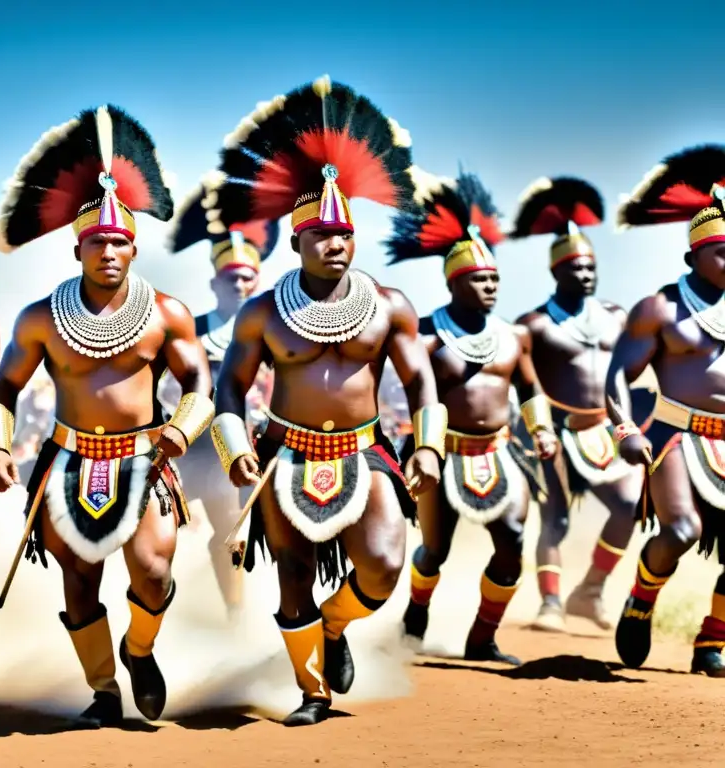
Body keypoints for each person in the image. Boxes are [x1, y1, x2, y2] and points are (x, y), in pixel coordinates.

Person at [209, 76, 445, 726]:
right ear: (295, 241)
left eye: (344, 233)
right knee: (292, 578)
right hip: (284, 456)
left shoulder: (391, 307)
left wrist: (426, 444)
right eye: (320, 234)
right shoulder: (261, 315)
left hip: (365, 452)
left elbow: (422, 384)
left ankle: (336, 626)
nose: (335, 242)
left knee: (386, 563)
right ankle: (313, 693)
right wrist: (234, 451)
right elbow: (228, 386)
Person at [0, 105, 214, 726]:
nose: (108, 251)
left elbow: (200, 384)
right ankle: (104, 690)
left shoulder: (168, 313)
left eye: (119, 242)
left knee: (154, 571)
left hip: (145, 457)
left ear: (134, 249)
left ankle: (139, 651)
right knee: (80, 581)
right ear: (76, 247)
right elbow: (2, 391)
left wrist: (180, 428)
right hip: (67, 461)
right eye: (97, 242)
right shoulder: (38, 318)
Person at [386, 170, 556, 666]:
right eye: (479, 280)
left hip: (499, 453)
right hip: (441, 454)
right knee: (434, 551)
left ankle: (482, 637)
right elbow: (406, 387)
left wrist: (542, 428)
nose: (490, 287)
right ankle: (416, 615)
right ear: (454, 282)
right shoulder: (425, 336)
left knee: (513, 541)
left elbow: (529, 387)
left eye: (495, 280)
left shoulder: (513, 336)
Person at [508, 177, 648, 632]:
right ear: (556, 272)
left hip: (605, 430)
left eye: (590, 267)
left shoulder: (615, 316)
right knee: (556, 517)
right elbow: (522, 383)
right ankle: (550, 603)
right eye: (575, 267)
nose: (586, 274)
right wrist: (538, 430)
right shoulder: (533, 325)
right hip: (555, 432)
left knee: (630, 506)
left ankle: (590, 591)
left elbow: (630, 374)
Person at [607, 145, 725, 677]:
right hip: (676, 435)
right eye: (722, 250)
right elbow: (617, 374)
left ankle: (712, 641)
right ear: (692, 257)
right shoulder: (660, 308)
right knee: (680, 530)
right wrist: (626, 427)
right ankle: (641, 598)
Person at [162, 177, 279, 613]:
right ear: (214, 283)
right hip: (188, 448)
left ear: (259, 280)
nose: (240, 284)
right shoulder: (189, 329)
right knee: (155, 526)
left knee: (234, 532)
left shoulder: (269, 332)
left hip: (241, 451)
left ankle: (235, 614)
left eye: (248, 276)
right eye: (231, 277)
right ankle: (158, 608)